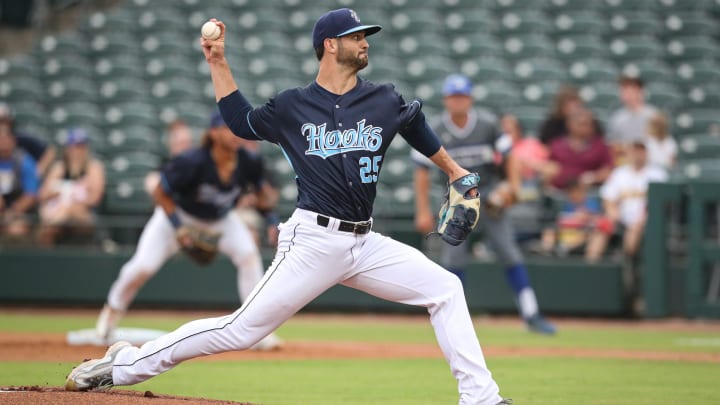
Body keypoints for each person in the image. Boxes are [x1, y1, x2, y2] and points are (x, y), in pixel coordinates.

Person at [66, 9, 511, 405]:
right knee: (240, 330)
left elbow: (414, 123)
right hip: (313, 241)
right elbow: (240, 121)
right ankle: (123, 367)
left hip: (364, 242)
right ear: (330, 45)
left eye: (365, 36)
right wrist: (218, 62)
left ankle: (481, 398)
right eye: (356, 36)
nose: (365, 42)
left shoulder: (382, 98)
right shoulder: (293, 106)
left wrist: (454, 171)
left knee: (445, 289)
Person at [92, 112, 283, 351]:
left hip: (220, 219)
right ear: (213, 133)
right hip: (177, 215)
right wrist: (178, 228)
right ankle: (110, 314)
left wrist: (272, 219)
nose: (235, 133)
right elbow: (160, 192)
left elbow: (261, 196)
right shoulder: (192, 160)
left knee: (248, 255)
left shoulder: (249, 161)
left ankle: (258, 330)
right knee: (143, 266)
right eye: (228, 128)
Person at [413, 74, 556, 336]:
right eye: (454, 97)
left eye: (463, 96)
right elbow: (421, 171)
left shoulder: (488, 124)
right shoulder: (434, 128)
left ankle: (531, 313)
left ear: (470, 98)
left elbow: (510, 157)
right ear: (446, 100)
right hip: (455, 199)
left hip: (488, 195)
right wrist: (422, 210)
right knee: (453, 262)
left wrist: (513, 187)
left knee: (510, 253)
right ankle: (455, 321)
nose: (458, 102)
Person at [36, 128, 106, 246]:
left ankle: (52, 224)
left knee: (70, 209)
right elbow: (42, 195)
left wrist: (74, 195)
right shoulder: (60, 168)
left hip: (84, 215)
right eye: (74, 147)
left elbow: (95, 199)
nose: (77, 151)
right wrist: (61, 192)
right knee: (55, 217)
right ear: (67, 149)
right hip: (57, 213)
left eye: (80, 147)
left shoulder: (93, 168)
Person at [601, 141, 667, 261]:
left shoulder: (657, 174)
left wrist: (645, 217)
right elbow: (608, 199)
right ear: (628, 154)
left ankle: (628, 267)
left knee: (635, 229)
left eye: (640, 151)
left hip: (646, 219)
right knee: (601, 230)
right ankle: (592, 267)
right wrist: (613, 212)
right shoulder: (619, 173)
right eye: (634, 151)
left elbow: (662, 202)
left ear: (646, 153)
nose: (637, 155)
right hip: (621, 218)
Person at [536, 178, 614, 262]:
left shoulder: (591, 203)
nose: (574, 194)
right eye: (571, 192)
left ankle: (565, 249)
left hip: (583, 236)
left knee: (593, 234)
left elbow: (597, 220)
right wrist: (572, 218)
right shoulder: (567, 205)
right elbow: (561, 220)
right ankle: (546, 252)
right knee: (550, 230)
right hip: (566, 233)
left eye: (577, 191)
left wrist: (586, 217)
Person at [546, 108, 614, 191]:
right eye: (582, 124)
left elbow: (608, 170)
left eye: (589, 124)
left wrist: (593, 177)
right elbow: (548, 168)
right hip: (559, 193)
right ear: (570, 124)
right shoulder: (557, 144)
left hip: (589, 194)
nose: (586, 128)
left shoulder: (600, 145)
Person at [0, 115, 39, 242]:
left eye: (6, 137)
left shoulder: (24, 161)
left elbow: (31, 195)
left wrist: (11, 212)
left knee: (16, 229)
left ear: (13, 140)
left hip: (19, 212)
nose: (3, 141)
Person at [607, 75, 658, 160]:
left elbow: (660, 143)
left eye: (631, 90)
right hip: (626, 162)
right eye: (624, 90)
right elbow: (612, 145)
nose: (627, 94)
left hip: (650, 161)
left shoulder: (653, 115)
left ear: (640, 92)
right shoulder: (617, 118)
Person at [0, 102, 56, 178]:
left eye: (4, 121)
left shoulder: (21, 139)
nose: (2, 125)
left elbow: (50, 151)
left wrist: (38, 170)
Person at [143, 119, 195, 196]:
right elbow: (152, 183)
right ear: (171, 143)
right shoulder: (161, 171)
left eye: (188, 142)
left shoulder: (198, 168)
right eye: (181, 143)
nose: (186, 148)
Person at [537, 85, 602, 146]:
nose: (573, 108)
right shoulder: (551, 124)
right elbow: (544, 144)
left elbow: (598, 143)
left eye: (576, 103)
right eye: (569, 103)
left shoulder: (590, 122)